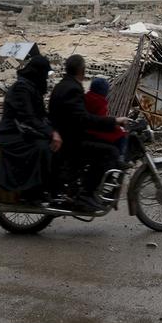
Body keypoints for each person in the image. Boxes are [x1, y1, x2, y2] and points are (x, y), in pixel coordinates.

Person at [49, 55, 130, 211]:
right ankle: (86, 194)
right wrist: (113, 121)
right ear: (82, 71)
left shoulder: (62, 86)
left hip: (67, 135)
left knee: (102, 146)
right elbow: (84, 119)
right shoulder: (73, 89)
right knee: (109, 151)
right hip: (71, 141)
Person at [0, 55, 61, 196]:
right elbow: (28, 117)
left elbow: (41, 115)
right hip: (12, 133)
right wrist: (51, 133)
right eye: (44, 74)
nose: (46, 79)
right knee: (42, 148)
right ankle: (32, 192)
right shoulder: (21, 88)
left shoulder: (32, 87)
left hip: (25, 130)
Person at [84, 77, 128, 160]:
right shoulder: (100, 102)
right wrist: (115, 124)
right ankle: (120, 158)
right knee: (121, 134)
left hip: (86, 129)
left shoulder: (86, 97)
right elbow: (101, 120)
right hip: (93, 131)